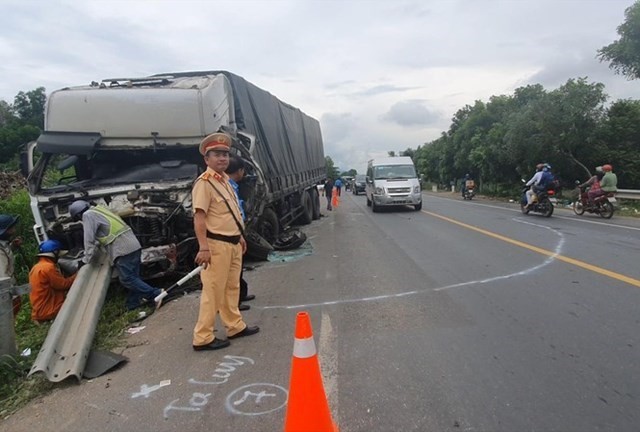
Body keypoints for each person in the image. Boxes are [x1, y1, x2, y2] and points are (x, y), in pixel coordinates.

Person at [191, 132, 259, 351]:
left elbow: (231, 213)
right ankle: (203, 337)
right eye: (217, 154)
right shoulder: (205, 184)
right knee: (213, 291)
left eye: (225, 154)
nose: (222, 158)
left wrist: (239, 236)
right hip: (216, 245)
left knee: (232, 287)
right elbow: (199, 217)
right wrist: (203, 247)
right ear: (206, 159)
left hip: (233, 243)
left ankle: (234, 326)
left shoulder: (226, 181)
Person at [69, 199, 163, 311]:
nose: (80, 220)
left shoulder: (88, 215)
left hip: (122, 249)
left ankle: (156, 293)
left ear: (79, 214)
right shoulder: (100, 209)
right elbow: (105, 232)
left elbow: (89, 241)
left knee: (127, 279)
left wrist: (85, 260)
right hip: (133, 244)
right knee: (134, 277)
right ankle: (133, 303)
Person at [225, 154, 256, 312]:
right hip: (229, 237)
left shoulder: (232, 186)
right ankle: (233, 303)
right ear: (240, 171)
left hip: (237, 234)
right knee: (232, 272)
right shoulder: (226, 187)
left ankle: (240, 295)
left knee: (238, 268)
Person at [29, 240, 77, 322]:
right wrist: (77, 275)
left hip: (39, 311)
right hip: (49, 310)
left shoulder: (36, 267)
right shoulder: (48, 268)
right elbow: (63, 285)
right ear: (54, 253)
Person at [0, 214, 22, 317]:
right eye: (11, 228)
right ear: (6, 231)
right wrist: (12, 295)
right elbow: (2, 276)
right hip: (6, 294)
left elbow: (7, 254)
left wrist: (12, 246)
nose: (14, 230)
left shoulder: (4, 245)